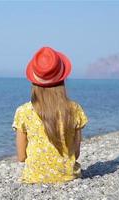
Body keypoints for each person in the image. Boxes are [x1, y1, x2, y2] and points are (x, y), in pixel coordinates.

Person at [12, 46, 88, 183]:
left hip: (34, 177)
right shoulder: (75, 109)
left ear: (34, 80)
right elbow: (76, 154)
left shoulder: (23, 111)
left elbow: (21, 157)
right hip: (69, 176)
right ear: (62, 79)